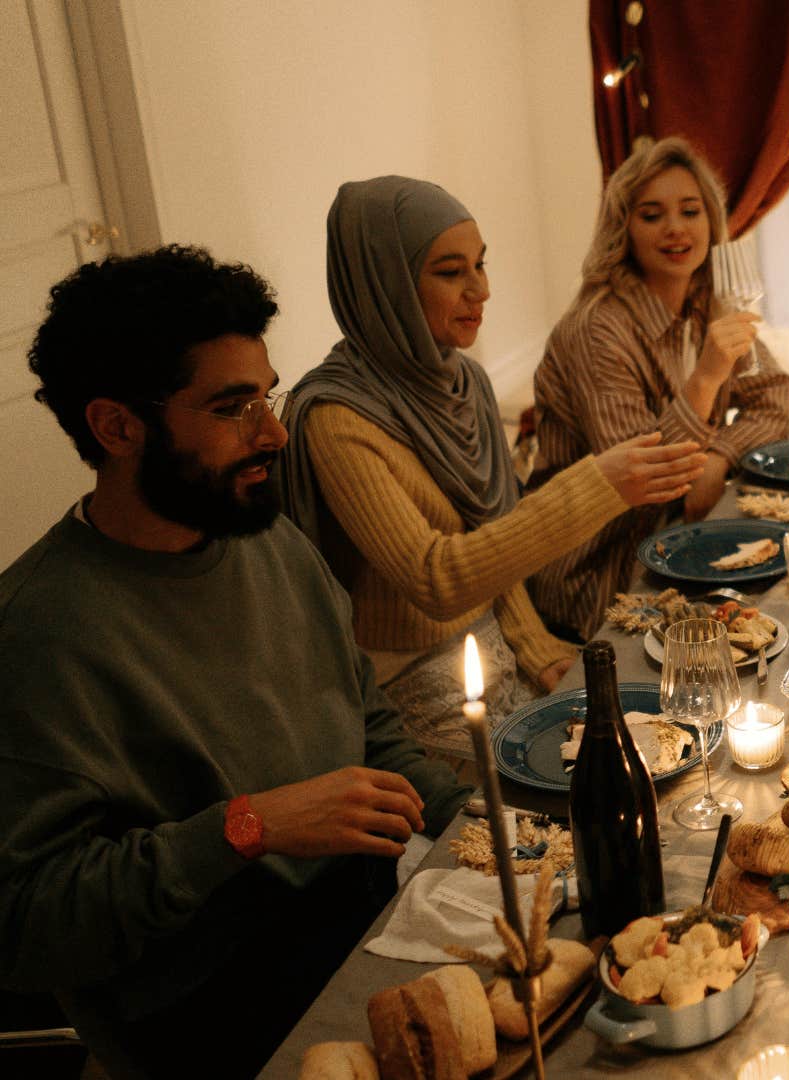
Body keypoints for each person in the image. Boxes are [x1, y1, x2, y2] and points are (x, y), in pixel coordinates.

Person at [0, 246, 474, 1078]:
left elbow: (370, 735)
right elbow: (30, 926)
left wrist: (486, 823)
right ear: (118, 427)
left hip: (362, 939)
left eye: (267, 394)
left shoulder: (266, 540)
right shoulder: (35, 636)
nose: (274, 432)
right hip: (210, 1021)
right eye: (231, 408)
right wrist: (248, 828)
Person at [280, 177, 707, 758]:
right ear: (385, 284)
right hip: (405, 678)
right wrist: (596, 485)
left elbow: (496, 541)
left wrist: (540, 652)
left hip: (498, 642)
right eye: (450, 272)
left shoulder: (463, 380)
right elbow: (438, 579)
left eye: (480, 265)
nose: (480, 290)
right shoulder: (337, 417)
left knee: (671, 732)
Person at [528, 136, 789, 641]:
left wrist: (718, 456)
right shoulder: (597, 328)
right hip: (602, 574)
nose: (675, 228)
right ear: (622, 229)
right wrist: (707, 378)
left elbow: (775, 393)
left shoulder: (705, 300)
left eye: (689, 211)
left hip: (681, 539)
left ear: (711, 221)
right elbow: (644, 483)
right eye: (652, 215)